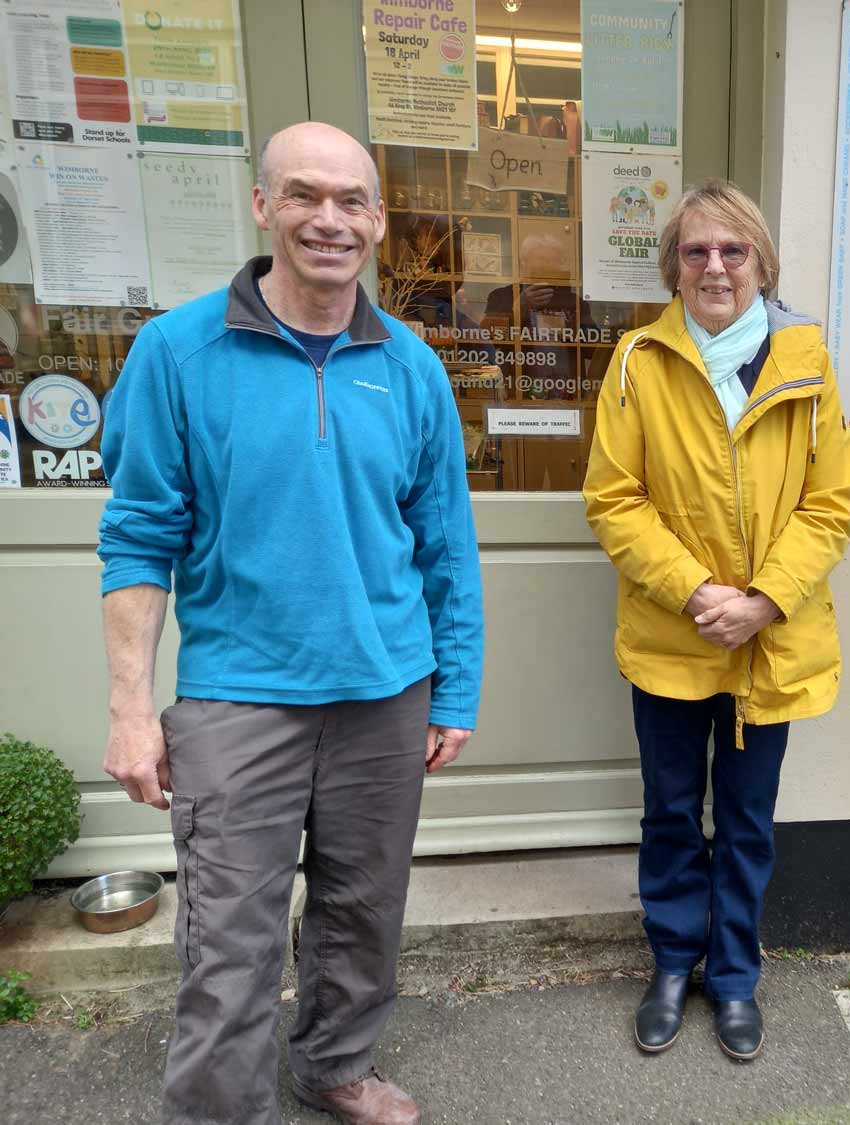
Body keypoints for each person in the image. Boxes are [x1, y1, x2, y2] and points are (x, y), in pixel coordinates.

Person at [99, 121, 484, 1125]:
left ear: (378, 222)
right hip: (240, 700)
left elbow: (445, 548)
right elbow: (138, 541)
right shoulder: (178, 352)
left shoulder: (410, 367)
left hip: (385, 695)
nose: (329, 218)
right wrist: (132, 712)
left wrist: (458, 686)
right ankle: (221, 1111)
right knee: (231, 941)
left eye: (351, 200)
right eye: (304, 195)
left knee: (363, 914)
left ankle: (333, 1067)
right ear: (263, 206)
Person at [583, 178, 850, 1061]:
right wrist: (700, 593)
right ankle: (672, 959)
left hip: (769, 643)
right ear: (673, 266)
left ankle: (735, 973)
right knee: (669, 810)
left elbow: (832, 502)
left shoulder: (809, 364)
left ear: (761, 264)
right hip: (674, 633)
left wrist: (765, 600)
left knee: (746, 819)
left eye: (733, 251)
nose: (715, 267)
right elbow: (614, 500)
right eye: (697, 251)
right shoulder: (636, 361)